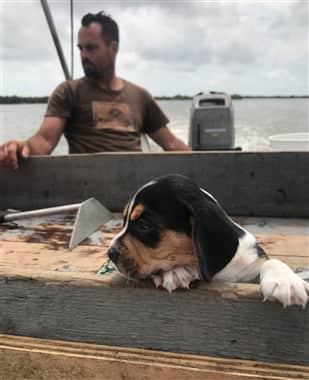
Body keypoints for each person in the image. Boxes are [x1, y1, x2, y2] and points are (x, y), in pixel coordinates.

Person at [0, 11, 189, 170]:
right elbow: (45, 140)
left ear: (113, 48)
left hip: (133, 193)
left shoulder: (140, 96)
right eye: (80, 49)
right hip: (86, 193)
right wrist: (22, 147)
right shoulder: (68, 92)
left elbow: (171, 144)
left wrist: (210, 166)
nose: (83, 55)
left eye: (91, 48)